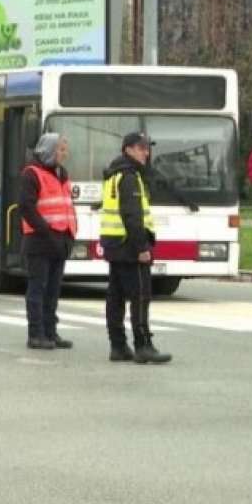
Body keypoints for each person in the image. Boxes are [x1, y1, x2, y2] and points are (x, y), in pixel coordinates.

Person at [101, 132, 172, 364]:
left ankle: (118, 346)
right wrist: (142, 247)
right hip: (130, 247)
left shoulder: (114, 174)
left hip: (115, 245)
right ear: (128, 150)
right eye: (141, 148)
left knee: (116, 297)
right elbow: (132, 216)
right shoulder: (130, 177)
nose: (146, 152)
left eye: (147, 148)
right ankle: (143, 346)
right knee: (141, 296)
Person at [19, 133, 76, 350]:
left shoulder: (62, 174)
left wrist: (71, 234)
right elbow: (26, 207)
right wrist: (46, 230)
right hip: (40, 241)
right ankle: (36, 334)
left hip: (60, 241)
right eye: (61, 149)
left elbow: (66, 205)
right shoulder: (32, 174)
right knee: (38, 289)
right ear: (49, 150)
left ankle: (50, 332)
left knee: (53, 290)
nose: (64, 153)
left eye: (65, 149)